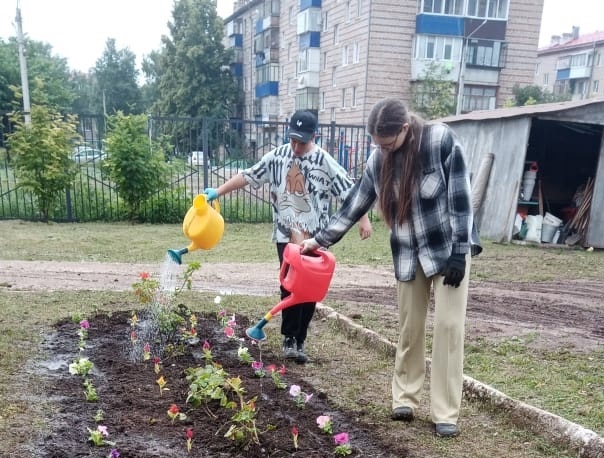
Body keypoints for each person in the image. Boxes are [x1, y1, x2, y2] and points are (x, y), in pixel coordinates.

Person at [301, 98, 481, 436]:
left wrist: (460, 250)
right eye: (377, 144)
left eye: (387, 142)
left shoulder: (440, 141)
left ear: (404, 129)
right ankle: (406, 397)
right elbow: (356, 201)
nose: (382, 149)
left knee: (448, 328)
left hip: (447, 248)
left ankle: (445, 412)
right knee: (409, 326)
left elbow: (461, 197)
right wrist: (319, 240)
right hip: (408, 251)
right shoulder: (378, 158)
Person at [204, 109, 372, 363]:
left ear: (314, 136)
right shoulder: (278, 156)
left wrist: (364, 218)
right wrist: (217, 192)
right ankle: (289, 338)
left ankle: (300, 339)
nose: (295, 146)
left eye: (301, 142)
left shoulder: (324, 160)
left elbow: (350, 190)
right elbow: (248, 176)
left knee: (310, 290)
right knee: (290, 285)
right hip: (286, 234)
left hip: (317, 237)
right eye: (292, 139)